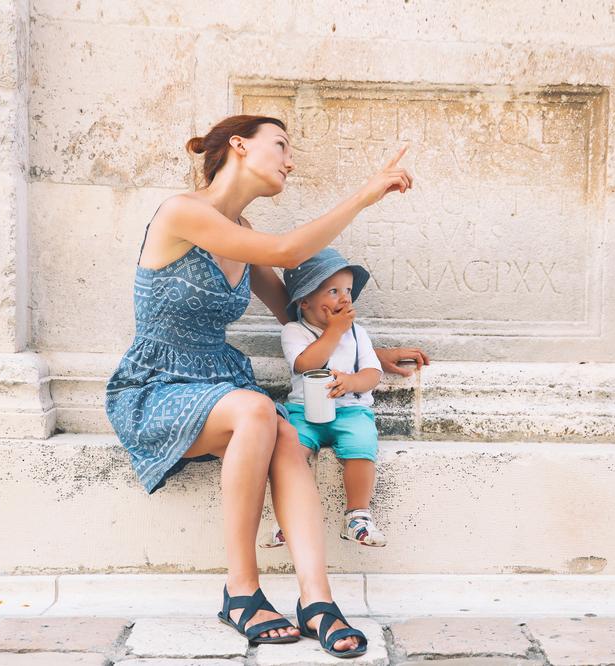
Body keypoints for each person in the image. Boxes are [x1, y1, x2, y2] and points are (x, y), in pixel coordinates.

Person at [104, 114, 425, 657]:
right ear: (238, 146)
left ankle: (317, 600)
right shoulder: (183, 212)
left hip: (220, 384)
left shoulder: (244, 234)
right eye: (280, 145)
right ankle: (241, 589)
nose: (289, 159)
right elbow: (285, 251)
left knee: (282, 431)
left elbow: (290, 313)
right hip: (157, 385)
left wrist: (371, 351)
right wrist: (364, 196)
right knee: (259, 411)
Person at [280, 248, 388, 547]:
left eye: (348, 291)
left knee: (362, 445)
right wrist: (335, 331)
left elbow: (373, 373)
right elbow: (304, 364)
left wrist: (352, 381)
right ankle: (290, 516)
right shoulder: (294, 331)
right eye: (333, 291)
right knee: (289, 450)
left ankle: (357, 516)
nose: (345, 298)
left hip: (350, 410)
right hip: (304, 411)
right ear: (305, 302)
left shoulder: (358, 334)